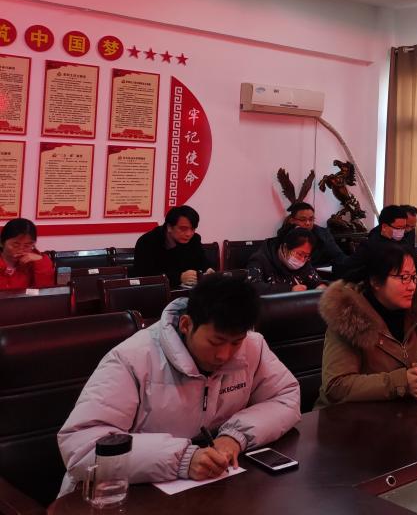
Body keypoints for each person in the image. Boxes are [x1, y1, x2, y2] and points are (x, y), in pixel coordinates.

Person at [57, 274, 300, 493]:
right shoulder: (132, 358)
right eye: (215, 342)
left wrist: (236, 436)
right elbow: (83, 446)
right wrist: (182, 459)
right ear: (186, 325)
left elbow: (286, 397)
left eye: (236, 342)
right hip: (116, 496)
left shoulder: (253, 347)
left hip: (205, 490)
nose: (224, 355)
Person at [316, 242, 417, 405]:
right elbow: (336, 386)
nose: (412, 286)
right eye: (403, 278)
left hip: (401, 410)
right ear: (375, 281)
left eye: (414, 277)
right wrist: (402, 382)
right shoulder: (349, 318)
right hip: (349, 415)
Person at [133, 206, 214, 286]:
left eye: (192, 229)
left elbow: (203, 263)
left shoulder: (194, 239)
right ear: (169, 227)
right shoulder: (148, 241)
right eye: (183, 229)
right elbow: (144, 275)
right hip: (157, 291)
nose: (188, 234)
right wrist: (179, 277)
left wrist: (208, 270)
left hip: (189, 290)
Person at [336, 204, 410, 281]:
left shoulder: (403, 242)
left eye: (403, 228)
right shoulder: (371, 246)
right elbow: (349, 266)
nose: (402, 231)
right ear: (384, 226)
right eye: (398, 228)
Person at [276, 201, 349, 277]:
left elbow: (338, 255)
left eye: (311, 219)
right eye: (303, 219)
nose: (308, 223)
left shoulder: (323, 235)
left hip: (319, 272)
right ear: (292, 221)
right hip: (292, 275)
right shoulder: (284, 235)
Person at [246, 227, 327, 293]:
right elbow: (252, 286)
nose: (302, 259)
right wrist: (289, 289)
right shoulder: (260, 259)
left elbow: (316, 281)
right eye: (299, 254)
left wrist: (320, 286)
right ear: (285, 248)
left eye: (306, 256)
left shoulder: (305, 262)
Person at [0, 218, 55, 291]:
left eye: (27, 245)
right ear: (2, 242)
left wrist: (40, 263)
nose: (21, 249)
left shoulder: (37, 262)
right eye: (15, 245)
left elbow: (45, 292)